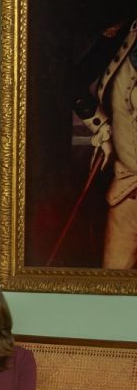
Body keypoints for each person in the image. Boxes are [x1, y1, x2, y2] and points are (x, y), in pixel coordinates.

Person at [71, 16, 137, 269]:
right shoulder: (121, 35)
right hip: (126, 189)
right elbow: (74, 83)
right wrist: (103, 127)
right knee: (112, 276)